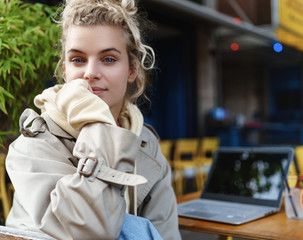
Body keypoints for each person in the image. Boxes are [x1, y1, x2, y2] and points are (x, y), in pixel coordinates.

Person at [5, 0, 181, 239]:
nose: (90, 72)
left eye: (108, 59)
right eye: (78, 59)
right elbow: (93, 232)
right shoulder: (33, 145)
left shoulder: (146, 143)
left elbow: (165, 235)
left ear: (132, 70)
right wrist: (98, 123)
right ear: (65, 69)